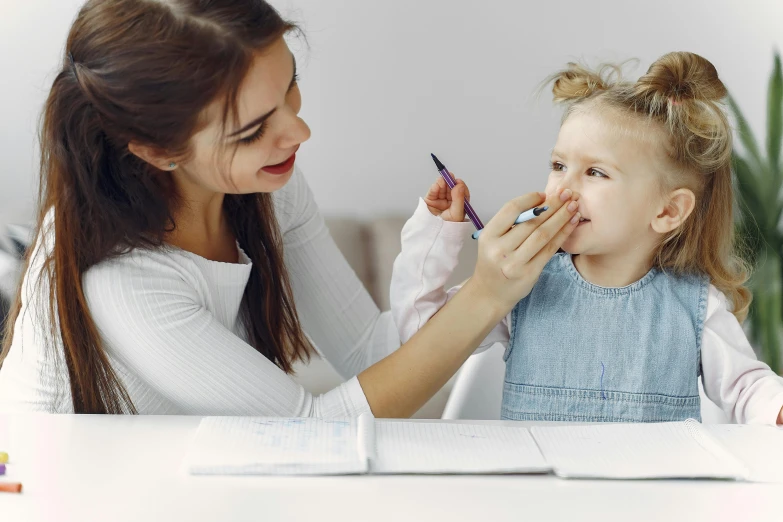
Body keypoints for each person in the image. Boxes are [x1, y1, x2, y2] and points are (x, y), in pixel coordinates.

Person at [0, 0, 579, 417]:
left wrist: (483, 284)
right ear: (158, 150)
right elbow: (310, 432)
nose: (300, 130)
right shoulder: (122, 280)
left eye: (290, 87)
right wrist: (485, 295)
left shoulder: (267, 190)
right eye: (253, 130)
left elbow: (366, 354)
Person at [391, 52, 783, 424]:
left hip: (653, 493)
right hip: (539, 490)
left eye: (596, 172)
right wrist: (436, 233)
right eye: (559, 165)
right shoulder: (521, 284)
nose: (564, 189)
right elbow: (420, 334)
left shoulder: (696, 305)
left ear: (667, 211)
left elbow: (747, 389)